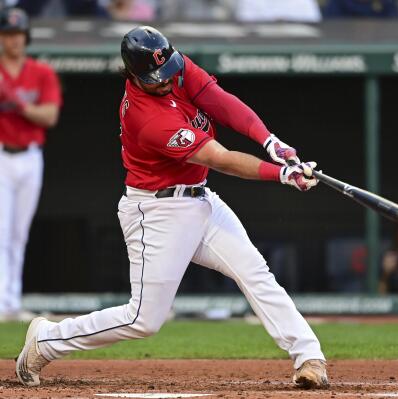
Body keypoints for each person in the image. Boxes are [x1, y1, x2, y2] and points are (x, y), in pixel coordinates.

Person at [15, 26, 328, 390]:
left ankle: (308, 356)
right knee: (143, 320)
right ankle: (48, 339)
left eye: (168, 71)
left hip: (201, 200)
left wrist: (270, 141)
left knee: (254, 271)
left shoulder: (173, 67)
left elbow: (220, 101)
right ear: (133, 74)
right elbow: (220, 158)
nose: (166, 81)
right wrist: (282, 174)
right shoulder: (147, 118)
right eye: (155, 77)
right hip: (157, 212)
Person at [0, 8, 61, 321]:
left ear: (26, 36)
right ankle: (2, 302)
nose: (14, 40)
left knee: (18, 234)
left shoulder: (41, 72)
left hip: (31, 155)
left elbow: (49, 116)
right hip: (1, 155)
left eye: (18, 34)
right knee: (1, 230)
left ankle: (10, 303)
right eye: (8, 34)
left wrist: (17, 102)